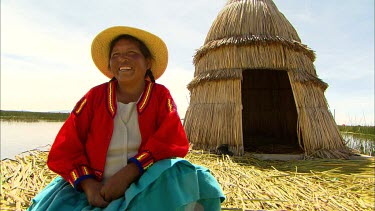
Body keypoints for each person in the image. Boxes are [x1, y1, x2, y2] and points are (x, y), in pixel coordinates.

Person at [28, 26, 225, 210]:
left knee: (188, 175)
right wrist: (89, 186)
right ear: (110, 65)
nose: (123, 60)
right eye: (116, 55)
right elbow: (66, 148)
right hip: (98, 184)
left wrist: (129, 173)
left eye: (132, 53)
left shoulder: (159, 96)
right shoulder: (93, 98)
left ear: (147, 63)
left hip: (144, 181)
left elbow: (171, 140)